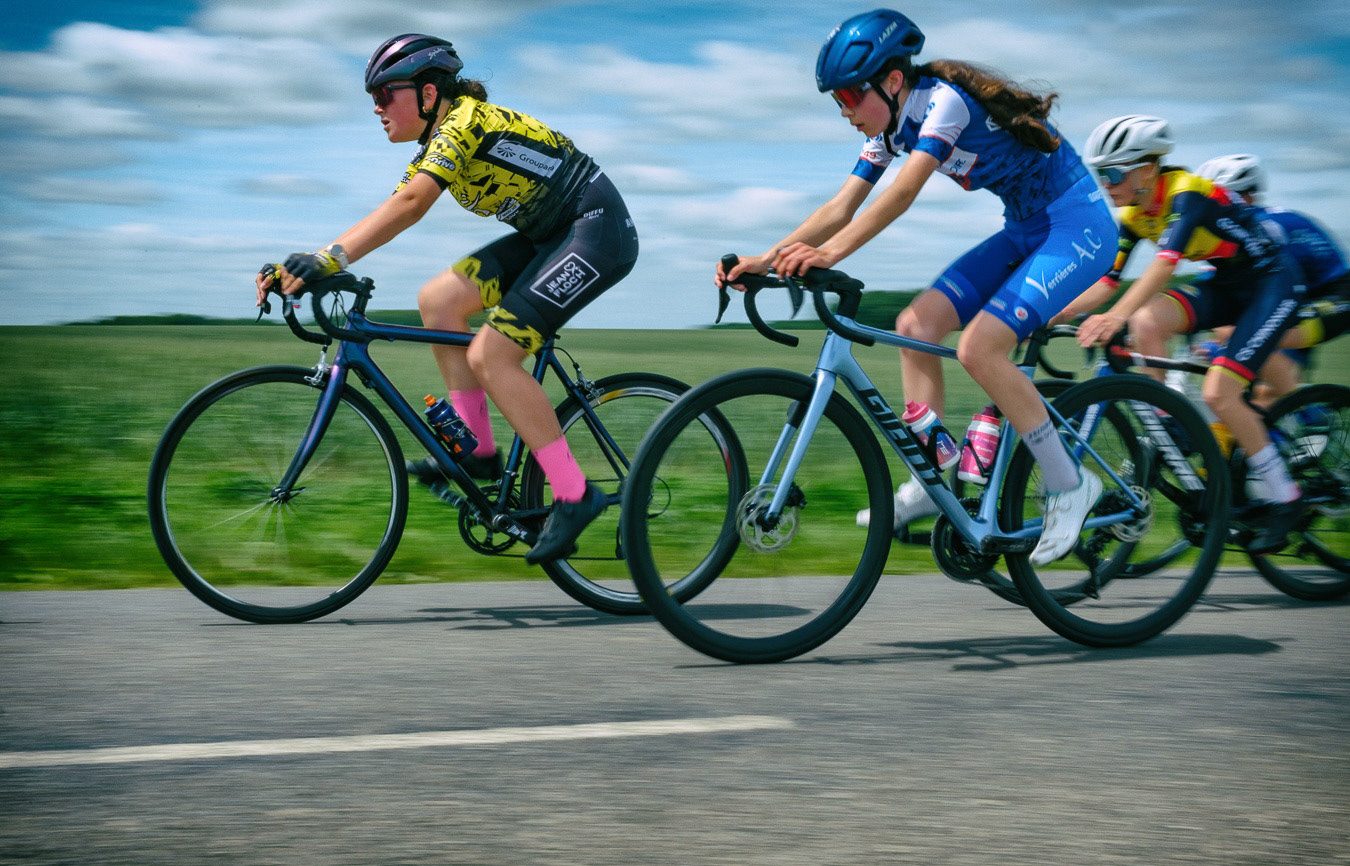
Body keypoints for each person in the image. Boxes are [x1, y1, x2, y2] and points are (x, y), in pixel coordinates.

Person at [718, 9, 1117, 565]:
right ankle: (929, 480)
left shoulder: (942, 103)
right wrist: (766, 259)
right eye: (837, 101)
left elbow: (902, 194)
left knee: (979, 348)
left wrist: (829, 255)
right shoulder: (889, 129)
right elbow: (841, 206)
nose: (844, 111)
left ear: (892, 80)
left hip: (1077, 227)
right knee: (914, 325)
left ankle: (1069, 484)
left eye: (850, 96)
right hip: (1026, 230)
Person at [256, 34, 639, 564]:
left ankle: (575, 493)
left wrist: (328, 260)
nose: (376, 108)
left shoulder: (464, 123)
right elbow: (394, 206)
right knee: (438, 300)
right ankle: (478, 451)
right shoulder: (436, 144)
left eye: (385, 94)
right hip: (547, 237)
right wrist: (304, 265)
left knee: (491, 355)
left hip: (595, 232)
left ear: (429, 93)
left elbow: (412, 205)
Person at [1061, 116, 1306, 555]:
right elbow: (1108, 281)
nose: (1106, 184)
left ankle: (1286, 497)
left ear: (1147, 170)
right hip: (1227, 284)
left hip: (1273, 283)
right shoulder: (1135, 214)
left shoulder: (1186, 193)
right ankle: (1168, 424)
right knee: (1147, 322)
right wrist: (1051, 314)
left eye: (1113, 173)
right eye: (1100, 174)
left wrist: (1113, 318)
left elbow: (1165, 265)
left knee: (1219, 394)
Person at [1195, 154, 1349, 402]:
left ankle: (1305, 408)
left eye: (1218, 199)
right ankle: (1288, 413)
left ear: (1246, 198)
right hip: (1294, 295)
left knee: (1251, 344)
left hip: (1333, 294)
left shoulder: (1266, 226)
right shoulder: (1226, 230)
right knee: (1258, 398)